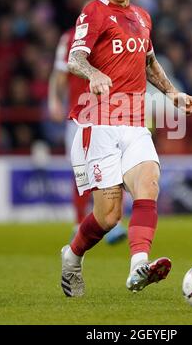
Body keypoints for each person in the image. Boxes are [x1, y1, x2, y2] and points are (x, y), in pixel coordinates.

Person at [61, 0, 192, 297]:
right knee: (108, 217)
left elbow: (149, 61)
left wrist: (172, 93)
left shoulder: (141, 17)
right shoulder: (93, 11)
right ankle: (72, 257)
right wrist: (93, 73)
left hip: (135, 122)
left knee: (149, 181)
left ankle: (139, 265)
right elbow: (74, 58)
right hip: (99, 122)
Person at [48, 26, 127, 243]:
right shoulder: (71, 37)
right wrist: (55, 99)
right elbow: (61, 73)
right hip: (80, 114)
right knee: (81, 171)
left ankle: (113, 222)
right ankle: (79, 222)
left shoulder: (115, 35)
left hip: (109, 113)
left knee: (112, 168)